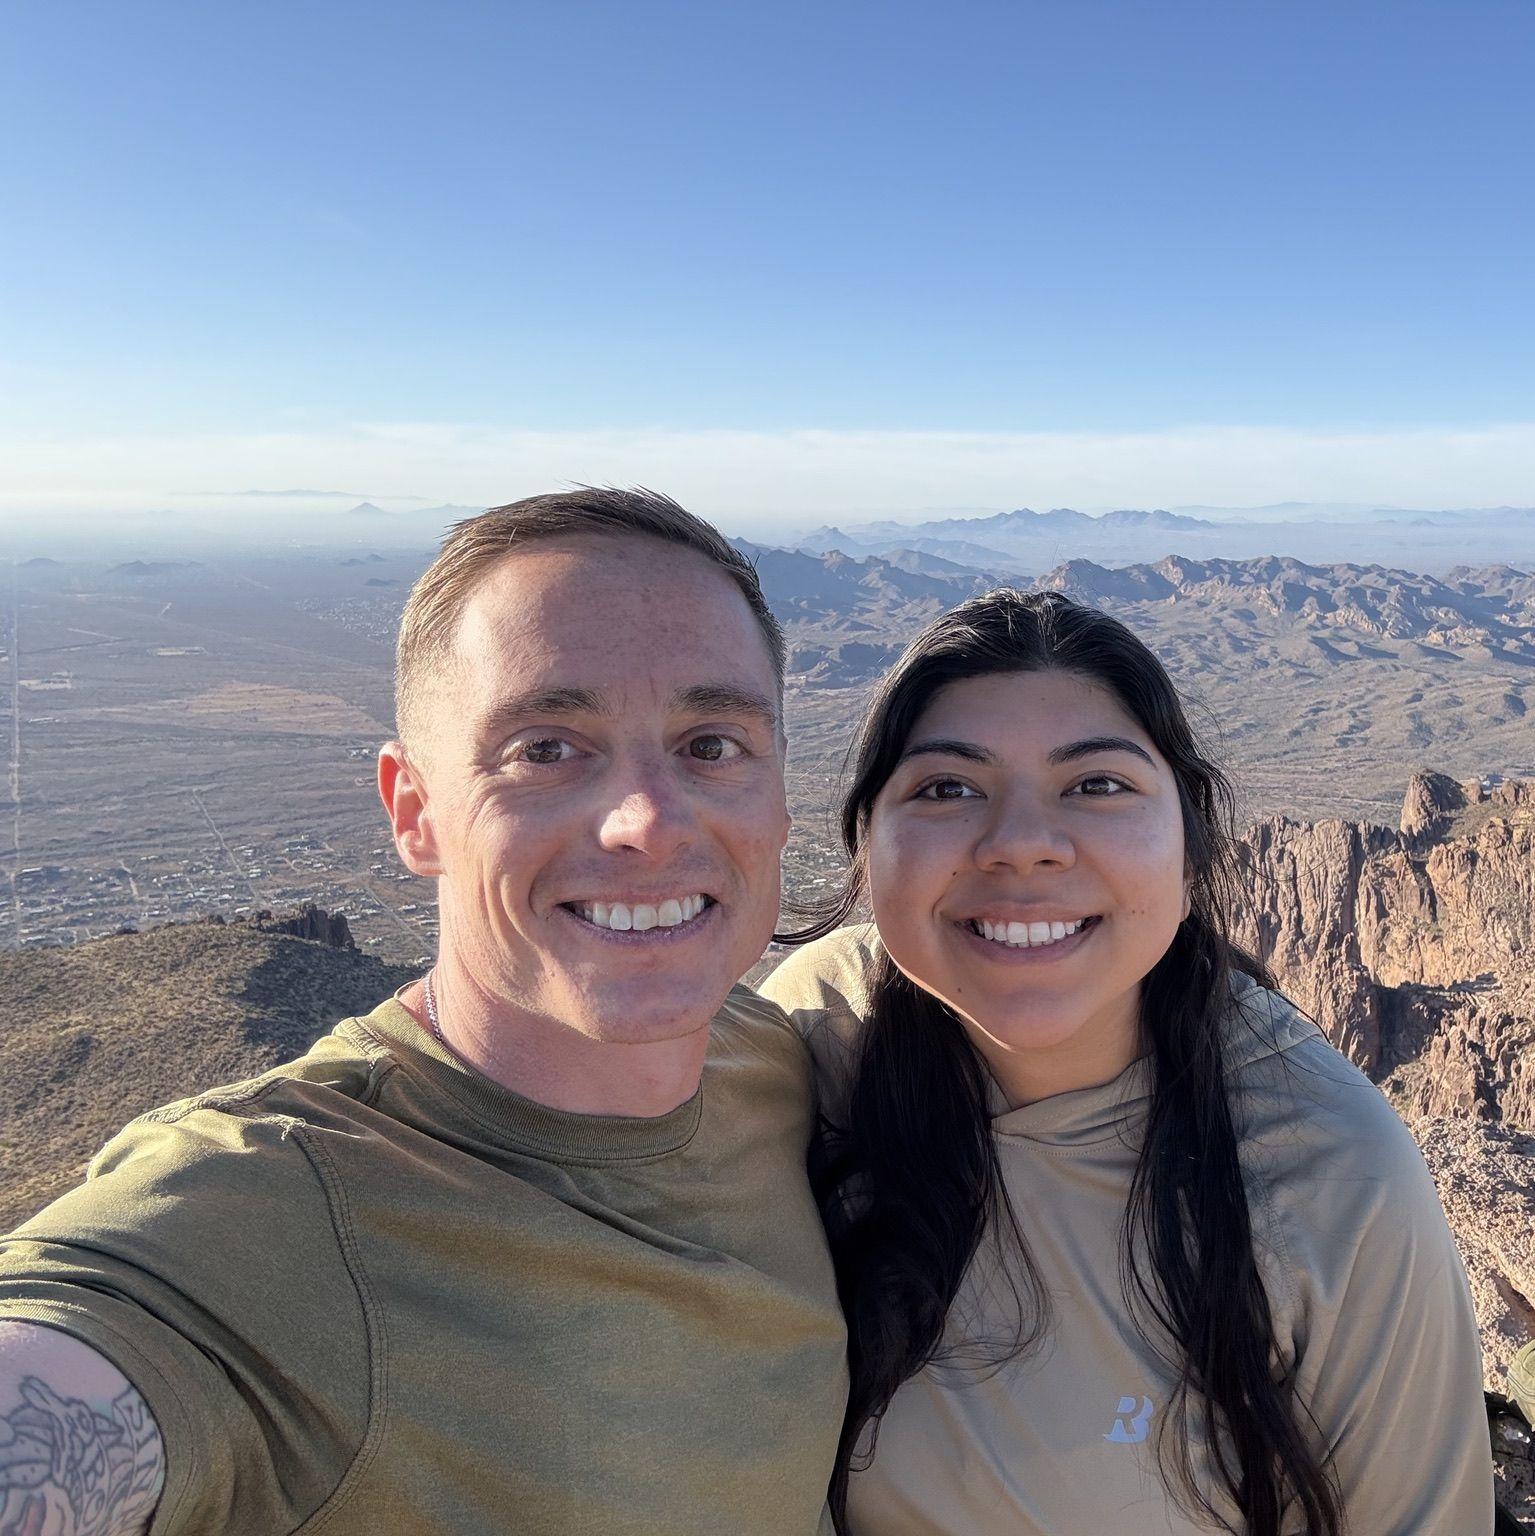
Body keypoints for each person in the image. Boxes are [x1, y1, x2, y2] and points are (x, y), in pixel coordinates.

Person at [0, 489, 847, 1535]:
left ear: (777, 799)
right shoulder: (271, 1211)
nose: (646, 822)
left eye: (712, 744)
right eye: (545, 747)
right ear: (415, 812)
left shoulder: (774, 1060)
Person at [761, 588, 1494, 1536]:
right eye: (945, 787)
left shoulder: (1325, 1172)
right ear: (868, 844)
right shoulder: (805, 1039)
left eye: (1096, 784)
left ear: (1189, 849)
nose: (1021, 843)